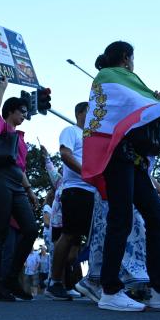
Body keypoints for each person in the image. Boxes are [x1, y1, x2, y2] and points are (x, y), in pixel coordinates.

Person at [83, 41, 160, 312]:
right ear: (126, 57)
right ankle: (110, 290)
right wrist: (159, 103)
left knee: (158, 219)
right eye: (132, 58)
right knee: (120, 218)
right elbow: (131, 105)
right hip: (117, 157)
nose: (133, 63)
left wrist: (152, 102)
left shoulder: (121, 80)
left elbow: (137, 106)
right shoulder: (109, 76)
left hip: (133, 161)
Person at [0, 77, 38, 302]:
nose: (24, 115)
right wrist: (3, 87)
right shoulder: (1, 127)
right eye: (21, 111)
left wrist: (30, 191)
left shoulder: (19, 138)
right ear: (11, 111)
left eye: (26, 112)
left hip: (17, 184)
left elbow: (21, 168)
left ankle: (10, 279)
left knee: (31, 229)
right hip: (0, 181)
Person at [46, 102, 94, 301]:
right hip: (76, 189)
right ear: (80, 113)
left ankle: (67, 283)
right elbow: (65, 155)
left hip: (93, 192)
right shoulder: (71, 131)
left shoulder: (94, 138)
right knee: (68, 235)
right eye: (91, 112)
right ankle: (54, 282)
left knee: (77, 242)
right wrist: (87, 174)